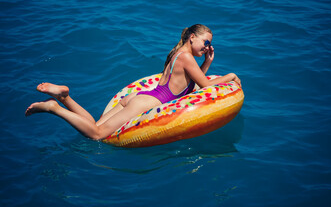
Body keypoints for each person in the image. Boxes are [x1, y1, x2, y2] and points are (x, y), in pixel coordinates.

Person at [25, 24, 241, 140]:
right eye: (206, 42)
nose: (207, 47)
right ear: (192, 37)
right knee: (97, 135)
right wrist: (230, 76)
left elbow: (192, 84)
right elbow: (205, 86)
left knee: (95, 124)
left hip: (138, 99)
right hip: (146, 104)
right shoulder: (186, 57)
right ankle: (54, 107)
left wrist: (207, 62)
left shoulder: (177, 54)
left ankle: (65, 97)